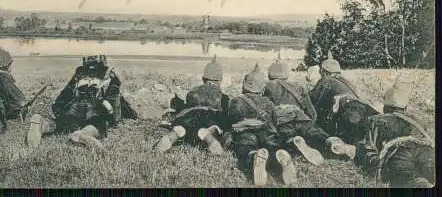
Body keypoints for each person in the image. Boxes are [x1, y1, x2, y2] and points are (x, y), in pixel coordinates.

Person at [225, 64, 356, 186]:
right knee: (317, 134)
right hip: (302, 117)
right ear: (286, 74)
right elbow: (312, 112)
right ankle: (332, 142)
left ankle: (288, 144)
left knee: (274, 141)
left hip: (281, 121)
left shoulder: (266, 88)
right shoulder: (298, 86)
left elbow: (270, 118)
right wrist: (309, 121)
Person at [25, 55, 123, 151]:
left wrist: (59, 111)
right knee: (96, 125)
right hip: (94, 111)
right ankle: (83, 134)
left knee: (60, 124)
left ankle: (42, 123)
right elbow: (112, 103)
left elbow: (64, 95)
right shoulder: (110, 74)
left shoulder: (79, 73)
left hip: (73, 109)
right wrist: (108, 118)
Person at [354, 83, 435, 188]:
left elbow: (368, 150)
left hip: (400, 157)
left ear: (385, 107)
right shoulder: (419, 122)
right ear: (405, 107)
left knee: (411, 181)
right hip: (428, 154)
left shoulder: (375, 120)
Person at [154, 55, 229, 155]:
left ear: (203, 79)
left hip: (190, 114)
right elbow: (225, 113)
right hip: (210, 115)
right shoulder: (222, 96)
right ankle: (209, 134)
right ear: (219, 80)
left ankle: (177, 132)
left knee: (184, 125)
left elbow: (188, 106)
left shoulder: (193, 91)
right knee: (214, 126)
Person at [309, 51, 379, 145]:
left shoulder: (326, 80)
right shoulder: (346, 82)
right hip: (361, 112)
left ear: (324, 72)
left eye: (321, 71)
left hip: (349, 116)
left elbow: (313, 101)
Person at [0, 45, 28, 122]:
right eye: (10, 64)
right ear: (6, 65)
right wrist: (23, 101)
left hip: (0, 103)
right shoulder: (3, 76)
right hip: (5, 106)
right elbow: (13, 92)